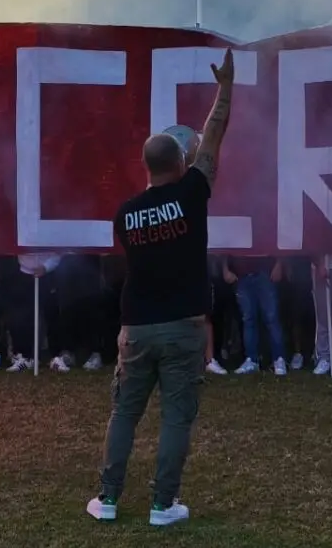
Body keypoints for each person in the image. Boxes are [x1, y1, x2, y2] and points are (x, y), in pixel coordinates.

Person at [89, 48, 231, 527]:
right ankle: (162, 505)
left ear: (145, 165)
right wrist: (225, 90)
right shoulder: (193, 192)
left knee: (124, 414)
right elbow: (213, 134)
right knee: (175, 417)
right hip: (185, 326)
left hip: (137, 327)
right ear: (183, 160)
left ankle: (107, 498)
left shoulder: (125, 213)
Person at [227, 256, 286, 375]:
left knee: (271, 318)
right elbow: (225, 243)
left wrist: (279, 263)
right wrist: (225, 268)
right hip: (242, 274)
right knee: (248, 319)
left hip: (266, 271)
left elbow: (278, 239)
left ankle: (279, 359)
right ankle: (251, 360)